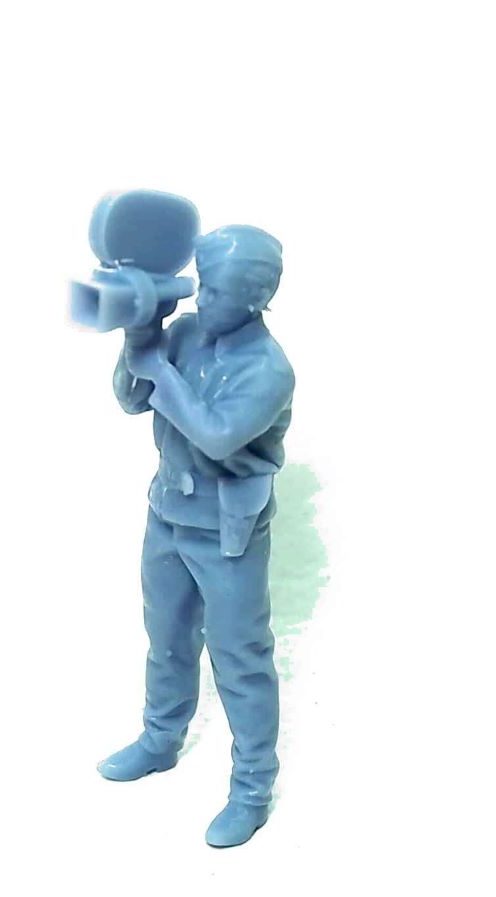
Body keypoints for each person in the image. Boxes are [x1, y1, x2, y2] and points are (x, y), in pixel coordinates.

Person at [98, 224, 295, 847]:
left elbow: (215, 435)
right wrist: (140, 335)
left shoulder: (268, 369)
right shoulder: (184, 335)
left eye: (216, 291)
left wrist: (161, 369)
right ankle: (161, 739)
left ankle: (252, 788)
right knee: (166, 638)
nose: (201, 299)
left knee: (240, 658)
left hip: (226, 532)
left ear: (257, 297)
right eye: (201, 285)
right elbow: (132, 399)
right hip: (168, 515)